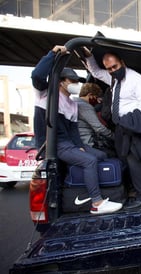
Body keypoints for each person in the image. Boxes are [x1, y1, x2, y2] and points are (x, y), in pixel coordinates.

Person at [31, 45, 123, 214]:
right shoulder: (45, 94)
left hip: (69, 144)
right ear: (60, 81)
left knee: (101, 155)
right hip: (53, 145)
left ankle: (92, 189)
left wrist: (80, 146)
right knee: (89, 161)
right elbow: (36, 75)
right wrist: (52, 54)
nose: (75, 85)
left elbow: (73, 131)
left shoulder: (73, 105)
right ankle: (97, 202)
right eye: (71, 81)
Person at [83, 47, 141, 210]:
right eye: (109, 69)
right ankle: (132, 190)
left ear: (122, 62)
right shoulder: (114, 79)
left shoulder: (137, 79)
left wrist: (133, 121)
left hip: (132, 124)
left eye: (115, 67)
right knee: (124, 158)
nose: (112, 71)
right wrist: (89, 56)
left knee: (135, 161)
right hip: (119, 125)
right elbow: (95, 72)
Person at [73, 83, 114, 154]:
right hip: (88, 142)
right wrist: (114, 136)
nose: (98, 101)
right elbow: (99, 128)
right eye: (97, 97)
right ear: (90, 95)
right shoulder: (85, 107)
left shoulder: (74, 103)